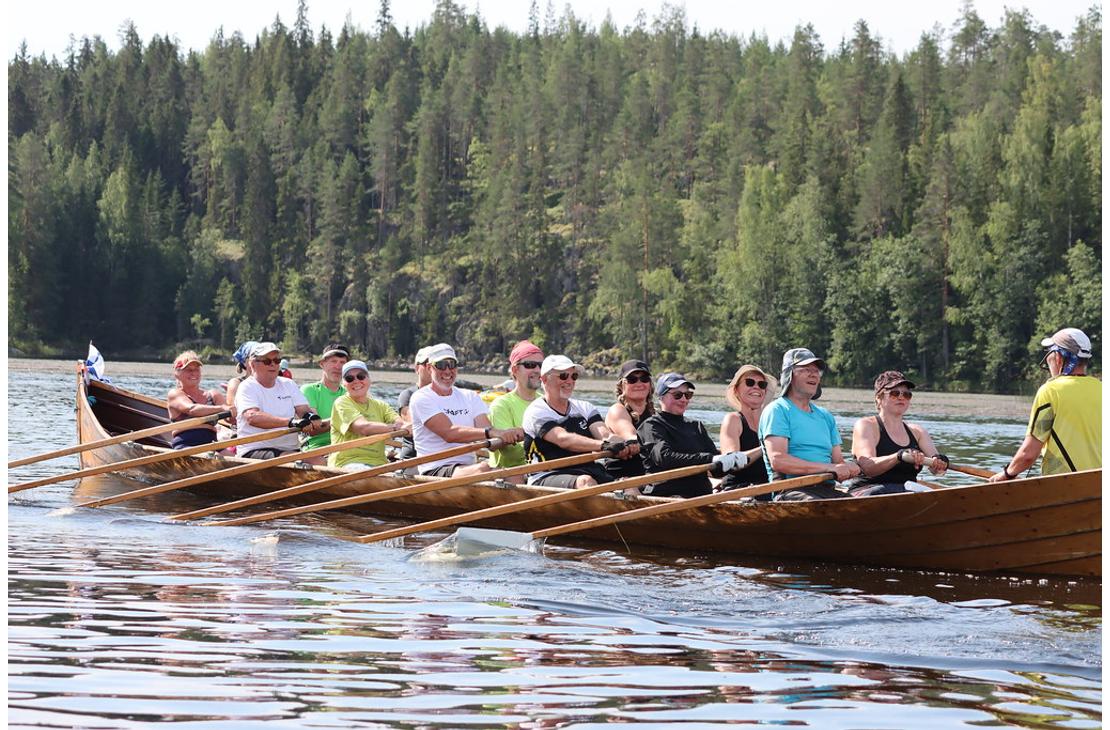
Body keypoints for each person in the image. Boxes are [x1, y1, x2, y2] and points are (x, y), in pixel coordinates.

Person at [990, 327, 1101, 482]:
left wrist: (1007, 474)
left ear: (1059, 358)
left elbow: (1028, 454)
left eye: (1050, 353)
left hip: (1064, 486)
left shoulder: (1051, 391)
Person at [758, 347, 861, 500]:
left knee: (860, 507)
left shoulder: (826, 416)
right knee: (819, 505)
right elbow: (778, 461)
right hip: (789, 491)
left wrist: (849, 467)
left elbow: (837, 462)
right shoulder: (777, 410)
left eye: (816, 371)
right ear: (789, 375)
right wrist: (829, 468)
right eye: (806, 369)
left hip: (825, 489)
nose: (813, 374)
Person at [409, 343, 524, 477]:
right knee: (484, 468)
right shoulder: (421, 397)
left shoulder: (470, 396)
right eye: (441, 365)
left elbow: (490, 439)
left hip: (467, 468)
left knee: (515, 475)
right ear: (429, 368)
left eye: (452, 364)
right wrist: (493, 433)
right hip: (435, 468)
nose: (447, 371)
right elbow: (449, 433)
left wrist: (512, 434)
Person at [522, 355, 634, 488]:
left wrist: (623, 444)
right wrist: (604, 446)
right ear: (545, 379)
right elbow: (563, 439)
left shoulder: (585, 407)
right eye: (563, 376)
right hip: (547, 475)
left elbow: (605, 435)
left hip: (587, 470)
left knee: (628, 486)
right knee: (585, 482)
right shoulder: (536, 411)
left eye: (574, 376)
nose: (569, 381)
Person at [638, 373, 747, 498]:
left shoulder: (696, 426)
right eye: (677, 395)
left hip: (701, 495)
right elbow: (664, 458)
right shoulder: (651, 426)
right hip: (668, 494)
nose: (683, 399)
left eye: (688, 395)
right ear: (661, 397)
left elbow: (715, 470)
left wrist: (731, 461)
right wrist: (710, 459)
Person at [850, 371, 949, 495]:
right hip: (869, 490)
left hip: (905, 492)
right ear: (879, 398)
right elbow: (868, 467)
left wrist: (940, 463)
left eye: (906, 394)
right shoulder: (866, 425)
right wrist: (899, 456)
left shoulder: (918, 431)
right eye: (894, 393)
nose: (901, 397)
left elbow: (938, 472)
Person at [235, 342, 328, 459]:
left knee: (319, 461)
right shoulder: (247, 387)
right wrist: (290, 422)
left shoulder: (288, 384)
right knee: (302, 461)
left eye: (277, 361)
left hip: (290, 449)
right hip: (255, 449)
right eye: (267, 361)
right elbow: (253, 418)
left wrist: (311, 418)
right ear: (252, 364)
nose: (273, 365)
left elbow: (304, 411)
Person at [328, 360, 407, 470]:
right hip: (348, 462)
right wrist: (395, 428)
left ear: (369, 380)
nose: (356, 381)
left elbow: (400, 422)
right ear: (343, 384)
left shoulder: (381, 405)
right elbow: (363, 428)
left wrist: (404, 426)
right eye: (349, 378)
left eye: (361, 376)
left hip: (380, 463)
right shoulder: (341, 402)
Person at [487, 340, 545, 473]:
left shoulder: (546, 401)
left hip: (543, 470)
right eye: (530, 365)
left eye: (541, 366)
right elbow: (511, 453)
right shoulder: (501, 405)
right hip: (512, 474)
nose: (537, 370)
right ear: (515, 370)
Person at [717, 364, 774, 495]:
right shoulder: (733, 419)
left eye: (762, 385)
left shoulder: (771, 422)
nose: (756, 387)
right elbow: (731, 463)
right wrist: (765, 447)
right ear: (736, 390)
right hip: (738, 490)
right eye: (750, 382)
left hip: (768, 489)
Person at [166, 351, 227, 449]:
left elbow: (231, 418)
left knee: (237, 457)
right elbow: (192, 410)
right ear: (177, 374)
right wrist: (222, 408)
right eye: (188, 370)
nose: (193, 373)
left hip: (212, 445)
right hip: (185, 445)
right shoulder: (174, 394)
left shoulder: (213, 395)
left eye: (196, 369)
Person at [300, 343, 350, 464]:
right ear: (322, 364)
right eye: (333, 361)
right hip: (316, 449)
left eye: (342, 362)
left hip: (346, 448)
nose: (338, 367)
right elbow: (313, 429)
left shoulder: (351, 392)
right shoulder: (309, 390)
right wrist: (349, 420)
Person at [602, 360, 650, 480]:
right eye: (632, 380)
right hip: (622, 478)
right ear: (622, 385)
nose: (639, 383)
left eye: (644, 379)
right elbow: (632, 437)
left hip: (648, 476)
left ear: (650, 384)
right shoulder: (617, 410)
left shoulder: (656, 414)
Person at [396, 346, 433, 460]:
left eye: (436, 364)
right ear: (417, 368)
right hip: (413, 458)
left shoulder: (447, 395)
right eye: (427, 364)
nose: (432, 368)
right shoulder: (407, 395)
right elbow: (414, 425)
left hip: (442, 457)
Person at [225, 340, 258, 427]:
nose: (260, 361)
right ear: (245, 362)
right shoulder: (236, 383)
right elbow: (232, 416)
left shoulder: (272, 382)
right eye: (255, 357)